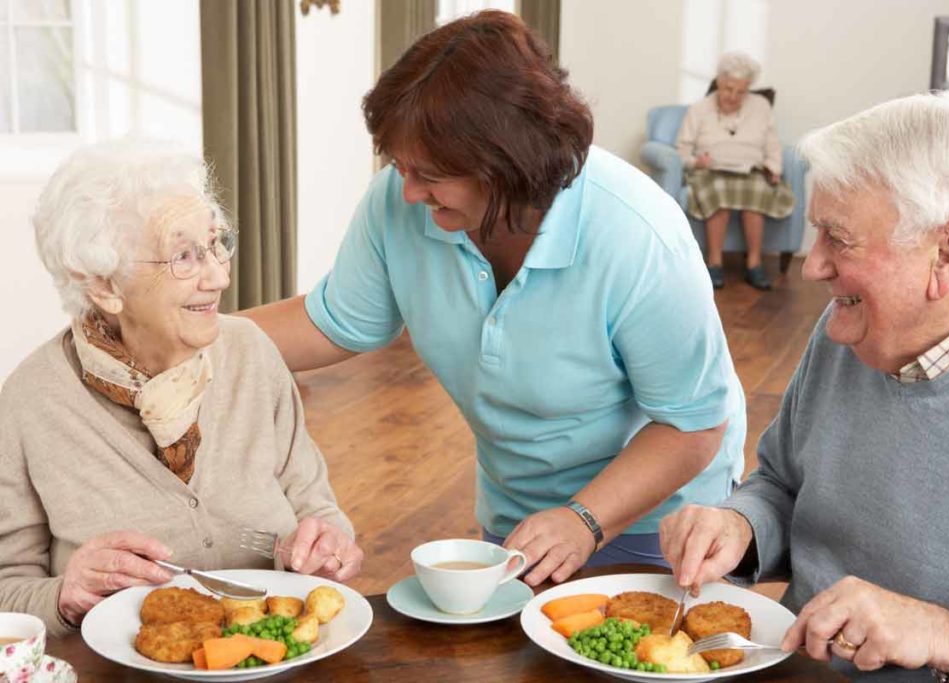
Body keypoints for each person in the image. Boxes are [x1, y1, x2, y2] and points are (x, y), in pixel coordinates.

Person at [242, 10, 746, 587]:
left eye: (429, 173)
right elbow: (332, 322)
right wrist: (188, 337)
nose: (406, 191)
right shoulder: (402, 203)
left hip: (660, 521)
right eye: (399, 166)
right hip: (520, 511)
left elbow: (693, 425)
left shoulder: (637, 234)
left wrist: (585, 519)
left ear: (508, 164)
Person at [659, 94, 949, 681]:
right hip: (786, 665)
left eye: (838, 237)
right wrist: (742, 527)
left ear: (948, 254)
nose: (812, 266)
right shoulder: (846, 331)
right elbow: (780, 482)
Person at [0, 140, 363, 637]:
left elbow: (316, 508)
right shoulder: (29, 402)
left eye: (216, 244)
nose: (219, 275)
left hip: (273, 657)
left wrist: (330, 547)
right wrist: (64, 596)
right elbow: (7, 590)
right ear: (104, 286)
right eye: (184, 257)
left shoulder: (251, 353)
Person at [675, 51, 796, 291]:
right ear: (719, 82)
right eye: (728, 88)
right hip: (710, 171)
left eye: (741, 91)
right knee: (720, 191)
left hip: (750, 169)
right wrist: (696, 162)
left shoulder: (760, 106)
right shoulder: (698, 110)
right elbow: (682, 150)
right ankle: (714, 263)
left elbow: (772, 142)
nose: (733, 96)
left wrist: (774, 167)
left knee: (757, 191)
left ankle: (754, 264)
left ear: (748, 88)